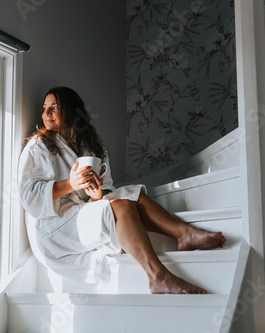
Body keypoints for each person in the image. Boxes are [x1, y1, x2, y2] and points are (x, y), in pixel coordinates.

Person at [18, 86, 227, 294]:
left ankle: (184, 234)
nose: (46, 113)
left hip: (80, 215)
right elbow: (28, 196)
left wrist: (96, 194)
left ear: (72, 111)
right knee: (123, 206)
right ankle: (158, 276)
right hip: (52, 226)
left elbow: (106, 192)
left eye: (54, 107)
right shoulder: (39, 145)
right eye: (45, 108)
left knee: (132, 195)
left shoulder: (93, 148)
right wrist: (69, 184)